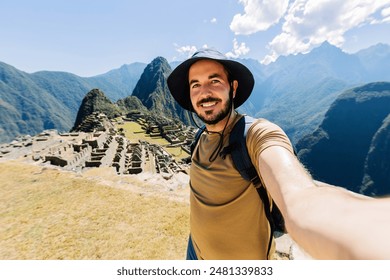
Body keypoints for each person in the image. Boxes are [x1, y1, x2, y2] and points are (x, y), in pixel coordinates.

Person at [167, 48, 390, 260]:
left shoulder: (256, 135)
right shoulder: (200, 138)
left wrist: (369, 232)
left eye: (214, 81)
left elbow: (298, 196)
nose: (204, 92)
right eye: (195, 85)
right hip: (195, 251)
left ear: (233, 87)